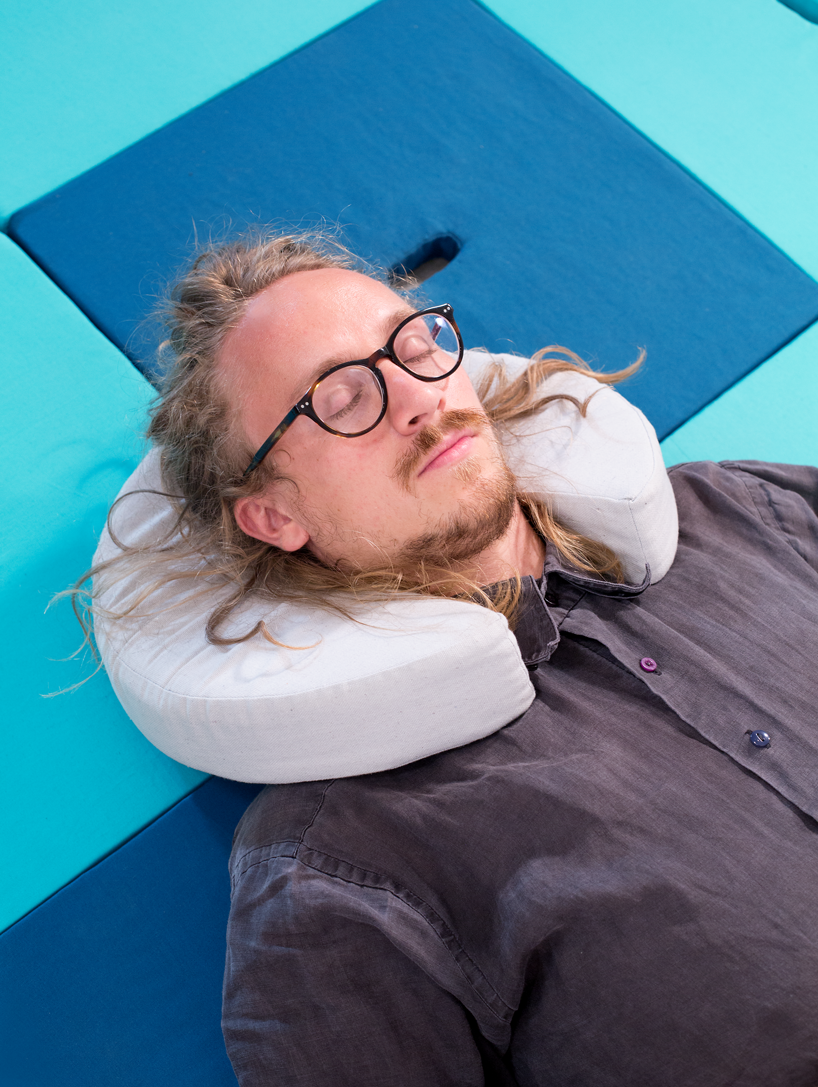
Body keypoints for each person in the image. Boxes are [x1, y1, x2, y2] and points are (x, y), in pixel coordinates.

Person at [101, 234, 818, 1085]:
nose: (416, 397)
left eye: (412, 344)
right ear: (274, 517)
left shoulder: (746, 506)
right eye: (339, 396)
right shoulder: (339, 863)